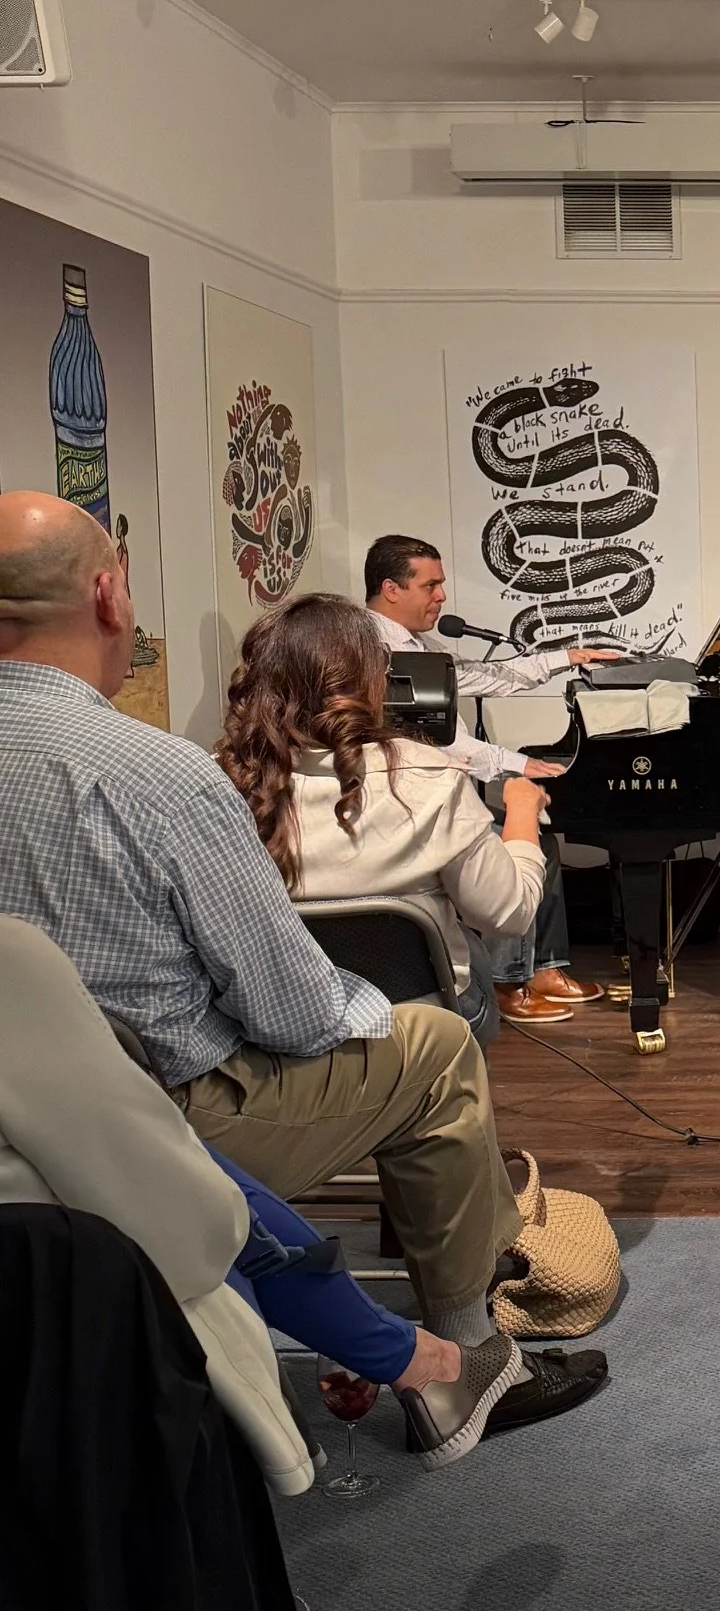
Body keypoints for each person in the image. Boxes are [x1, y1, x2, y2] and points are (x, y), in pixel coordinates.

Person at [0, 492, 607, 1441]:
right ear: (111, 595)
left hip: (17, 1139)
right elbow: (293, 1013)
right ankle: (468, 1355)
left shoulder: (219, 774)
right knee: (439, 1045)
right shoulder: (152, 776)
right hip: (159, 1127)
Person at [0, 911, 511, 1471]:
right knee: (443, 1042)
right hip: (113, 1211)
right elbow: (294, 1011)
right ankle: (455, 1348)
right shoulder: (17, 957)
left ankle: (405, 1367)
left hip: (88, 1183)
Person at [215, 593, 548, 1052]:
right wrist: (524, 811)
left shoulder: (220, 781)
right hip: (418, 1025)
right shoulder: (431, 778)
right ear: (371, 680)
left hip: (277, 1025)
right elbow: (507, 914)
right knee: (472, 959)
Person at [365, 533, 613, 1024]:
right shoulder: (375, 649)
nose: (441, 597)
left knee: (541, 842)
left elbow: (488, 677)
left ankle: (542, 967)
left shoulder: (417, 646)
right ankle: (505, 982)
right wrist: (519, 765)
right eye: (430, 585)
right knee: (507, 840)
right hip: (405, 802)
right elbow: (439, 744)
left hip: (435, 791)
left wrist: (566, 658)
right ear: (392, 589)